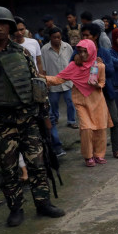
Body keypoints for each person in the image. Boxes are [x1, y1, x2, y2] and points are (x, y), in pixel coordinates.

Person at [0, 6, 65, 227]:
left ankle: (43, 203)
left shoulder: (21, 52)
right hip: (0, 123)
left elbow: (37, 84)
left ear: (9, 26)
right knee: (9, 169)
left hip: (29, 119)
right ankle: (15, 208)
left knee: (37, 164)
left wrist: (45, 115)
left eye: (3, 23)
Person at [43, 39, 112, 167]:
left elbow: (102, 83)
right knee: (86, 128)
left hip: (97, 100)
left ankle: (99, 154)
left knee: (100, 128)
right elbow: (59, 79)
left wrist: (97, 85)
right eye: (80, 52)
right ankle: (88, 156)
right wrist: (43, 78)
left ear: (91, 51)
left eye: (85, 52)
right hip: (81, 101)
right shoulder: (74, 66)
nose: (82, 55)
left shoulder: (99, 66)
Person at [81, 23, 118, 159]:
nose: (85, 37)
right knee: (92, 125)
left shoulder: (104, 52)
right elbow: (73, 69)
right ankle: (93, 153)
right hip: (89, 94)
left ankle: (116, 150)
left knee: (115, 121)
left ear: (96, 36)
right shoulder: (79, 52)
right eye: (83, 35)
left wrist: (101, 64)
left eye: (87, 35)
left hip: (105, 92)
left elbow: (111, 71)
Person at [41, 26, 77, 156]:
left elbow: (73, 61)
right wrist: (45, 81)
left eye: (59, 37)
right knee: (53, 103)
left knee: (70, 101)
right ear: (50, 37)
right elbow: (43, 67)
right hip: (53, 81)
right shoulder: (45, 49)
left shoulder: (67, 47)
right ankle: (54, 118)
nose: (57, 40)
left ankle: (71, 121)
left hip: (67, 81)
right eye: (55, 37)